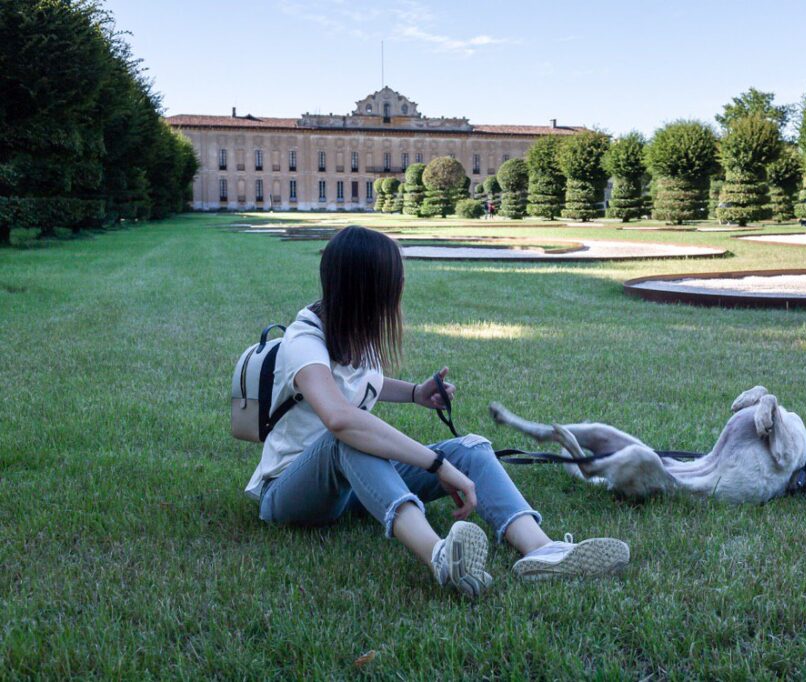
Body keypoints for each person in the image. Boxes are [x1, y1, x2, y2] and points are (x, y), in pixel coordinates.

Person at [245, 226, 629, 597]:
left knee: (472, 448)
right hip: (289, 493)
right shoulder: (303, 341)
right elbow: (340, 418)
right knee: (348, 441)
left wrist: (415, 393)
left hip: (352, 490)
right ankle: (440, 557)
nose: (400, 291)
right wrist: (436, 464)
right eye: (393, 282)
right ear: (364, 290)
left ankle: (544, 551)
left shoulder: (354, 332)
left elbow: (358, 383)